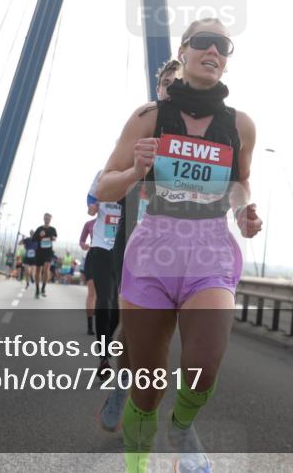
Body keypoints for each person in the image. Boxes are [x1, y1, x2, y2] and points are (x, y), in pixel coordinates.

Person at [96, 19, 262, 472]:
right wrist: (134, 173)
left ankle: (183, 424)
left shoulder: (240, 126)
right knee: (146, 388)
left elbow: (240, 183)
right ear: (184, 51)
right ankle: (136, 465)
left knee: (203, 365)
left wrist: (244, 211)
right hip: (153, 250)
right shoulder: (149, 117)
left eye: (222, 45)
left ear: (226, 59)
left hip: (210, 250)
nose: (214, 50)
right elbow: (102, 185)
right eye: (203, 42)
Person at [98, 58, 179, 432]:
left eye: (178, 81)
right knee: (136, 329)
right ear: (158, 88)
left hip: (180, 254)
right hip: (134, 245)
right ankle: (124, 392)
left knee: (157, 335)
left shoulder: (208, 135)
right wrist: (134, 172)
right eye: (166, 82)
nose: (172, 87)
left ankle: (135, 393)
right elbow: (104, 185)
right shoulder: (143, 129)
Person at [84, 171, 123, 376]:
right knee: (104, 300)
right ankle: (104, 358)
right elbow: (91, 197)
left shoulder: (142, 175)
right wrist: (92, 207)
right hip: (101, 248)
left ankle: (107, 343)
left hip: (125, 250)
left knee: (117, 310)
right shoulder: (104, 174)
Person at [30, 213, 57, 298]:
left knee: (46, 268)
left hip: (48, 252)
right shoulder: (39, 229)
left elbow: (55, 238)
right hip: (39, 252)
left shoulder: (53, 229)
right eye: (46, 218)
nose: (47, 219)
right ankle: (37, 289)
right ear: (43, 219)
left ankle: (43, 288)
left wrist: (52, 238)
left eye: (48, 218)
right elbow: (33, 239)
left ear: (50, 219)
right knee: (38, 270)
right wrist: (39, 235)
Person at [79, 209, 97, 333]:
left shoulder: (116, 222)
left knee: (108, 296)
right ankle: (90, 325)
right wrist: (84, 245)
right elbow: (81, 241)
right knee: (92, 292)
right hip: (93, 256)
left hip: (111, 258)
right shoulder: (89, 224)